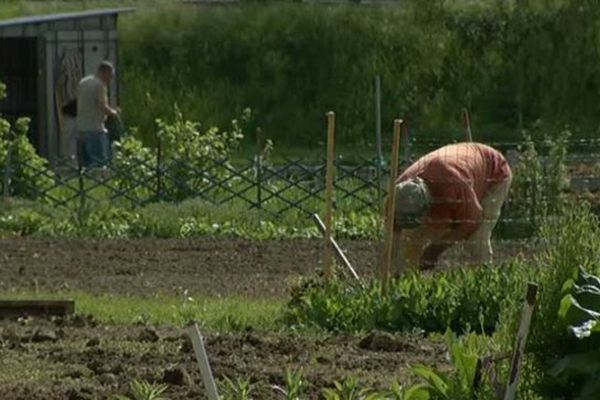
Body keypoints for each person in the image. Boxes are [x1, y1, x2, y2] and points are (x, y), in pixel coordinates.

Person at [389, 142, 512, 274]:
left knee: (476, 240)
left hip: (494, 172)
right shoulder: (398, 195)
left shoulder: (453, 186)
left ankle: (484, 278)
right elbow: (391, 238)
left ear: (429, 205)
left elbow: (472, 221)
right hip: (458, 172)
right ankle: (405, 281)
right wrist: (390, 265)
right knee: (411, 241)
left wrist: (435, 249)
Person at [76, 61, 119, 168]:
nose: (110, 79)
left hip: (81, 127)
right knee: (98, 162)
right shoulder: (99, 85)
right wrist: (114, 112)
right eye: (110, 75)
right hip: (95, 128)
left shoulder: (83, 82)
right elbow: (102, 106)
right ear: (105, 72)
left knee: (85, 163)